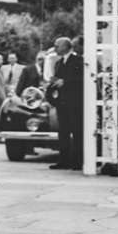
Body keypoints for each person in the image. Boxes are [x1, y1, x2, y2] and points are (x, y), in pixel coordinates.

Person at [49, 37, 84, 171]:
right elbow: (57, 81)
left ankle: (77, 161)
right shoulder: (58, 63)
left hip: (75, 103)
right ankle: (63, 160)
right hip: (62, 102)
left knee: (77, 132)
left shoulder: (78, 61)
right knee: (62, 132)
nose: (55, 47)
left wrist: (65, 82)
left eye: (57, 45)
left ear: (66, 46)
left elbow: (82, 79)